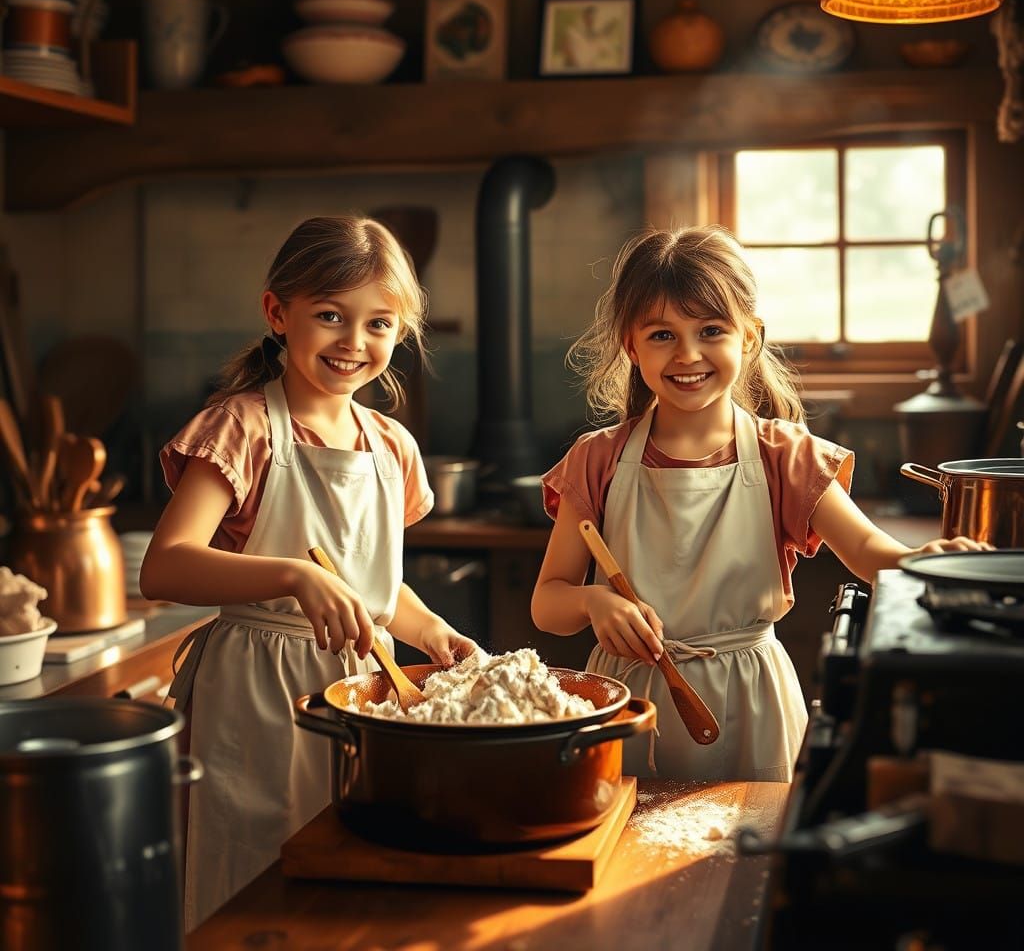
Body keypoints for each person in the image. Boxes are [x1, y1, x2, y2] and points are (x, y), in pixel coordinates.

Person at [531, 225, 990, 783]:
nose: (688, 354)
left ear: (749, 337)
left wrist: (927, 560)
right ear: (630, 344)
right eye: (661, 335)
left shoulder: (785, 456)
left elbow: (869, 551)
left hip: (753, 702)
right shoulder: (596, 459)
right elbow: (547, 603)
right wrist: (591, 605)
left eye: (711, 330)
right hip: (627, 702)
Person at [139, 215, 477, 929]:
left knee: (351, 882)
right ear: (277, 313)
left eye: (379, 324)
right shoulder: (241, 428)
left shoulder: (392, 446)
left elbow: (373, 588)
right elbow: (165, 568)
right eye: (330, 315)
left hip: (361, 694)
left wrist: (433, 630)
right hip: (254, 692)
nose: (355, 342)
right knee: (253, 871)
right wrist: (293, 576)